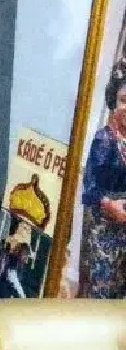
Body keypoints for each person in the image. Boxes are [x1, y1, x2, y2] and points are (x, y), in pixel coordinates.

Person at [77, 58, 126, 298]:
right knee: (101, 292)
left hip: (124, 229)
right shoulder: (104, 140)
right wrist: (111, 206)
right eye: (123, 100)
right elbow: (89, 190)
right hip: (103, 231)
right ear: (113, 102)